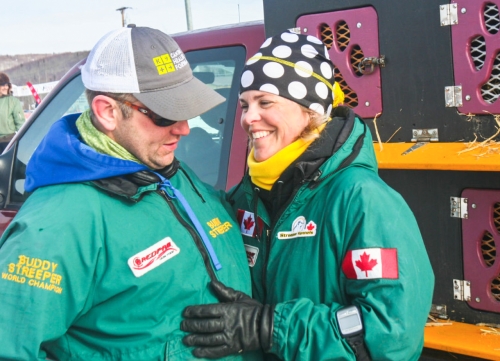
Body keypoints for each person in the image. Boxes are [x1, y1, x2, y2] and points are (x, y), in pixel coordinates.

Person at [0, 26, 261, 361]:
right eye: (166, 113)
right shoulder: (55, 225)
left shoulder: (172, 174)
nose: (184, 128)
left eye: (187, 108)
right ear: (108, 111)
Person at [181, 31, 434, 360]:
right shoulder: (246, 198)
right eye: (245, 104)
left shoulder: (361, 201)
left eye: (265, 102)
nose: (247, 118)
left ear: (310, 111)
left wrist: (271, 327)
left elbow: (391, 332)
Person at [0, 72, 25, 148]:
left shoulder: (13, 102)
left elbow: (20, 123)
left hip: (8, 142)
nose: (6, 87)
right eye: (2, 85)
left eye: (7, 84)